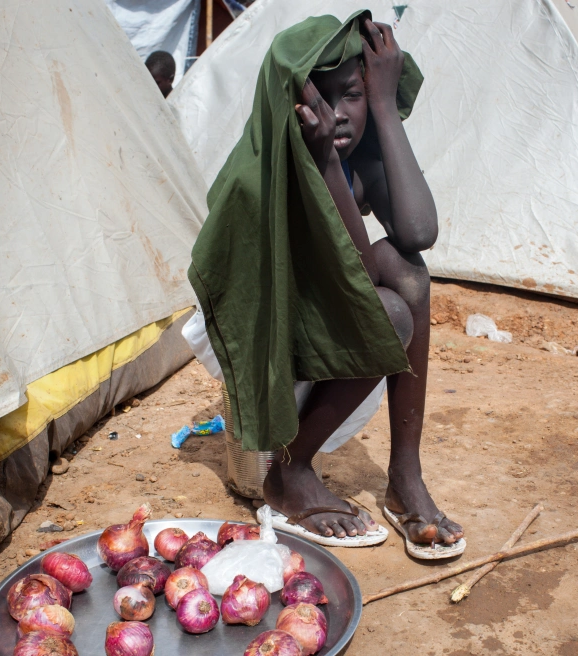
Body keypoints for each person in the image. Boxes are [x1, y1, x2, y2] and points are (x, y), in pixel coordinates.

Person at [188, 13, 463, 558]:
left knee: (406, 271)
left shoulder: (357, 152)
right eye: (321, 100)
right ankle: (287, 474)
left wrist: (385, 107)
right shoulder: (267, 172)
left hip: (328, 335)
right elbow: (355, 289)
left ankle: (405, 478)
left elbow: (418, 232)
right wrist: (324, 162)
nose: (336, 115)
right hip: (264, 357)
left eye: (354, 94)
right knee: (389, 313)